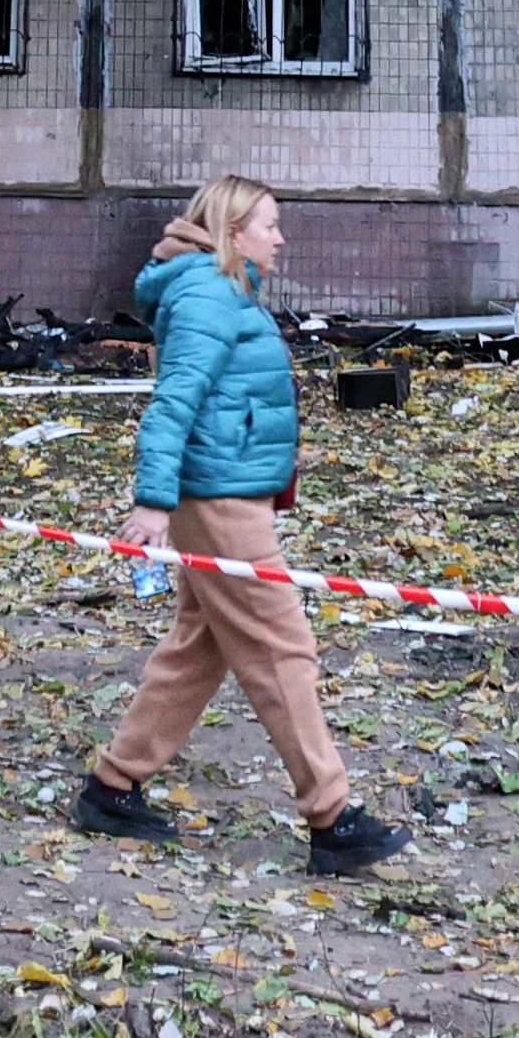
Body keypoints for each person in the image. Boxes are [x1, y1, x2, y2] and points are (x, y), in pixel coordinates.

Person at [69, 175, 409, 877]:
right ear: (232, 231)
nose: (280, 237)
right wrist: (153, 504)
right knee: (283, 646)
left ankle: (111, 787)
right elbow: (173, 402)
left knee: (202, 645)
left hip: (228, 492)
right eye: (269, 224)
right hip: (216, 499)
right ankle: (332, 816)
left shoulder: (221, 289)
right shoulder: (207, 294)